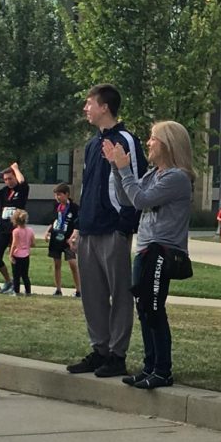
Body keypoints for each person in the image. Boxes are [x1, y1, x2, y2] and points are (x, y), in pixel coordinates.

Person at [104, 120, 194, 389]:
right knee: (143, 308)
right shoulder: (153, 174)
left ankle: (163, 370)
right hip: (144, 248)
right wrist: (116, 168)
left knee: (154, 309)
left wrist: (124, 169)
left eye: (153, 138)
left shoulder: (176, 177)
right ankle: (149, 366)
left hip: (162, 250)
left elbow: (142, 200)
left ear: (167, 143)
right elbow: (127, 199)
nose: (148, 142)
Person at [67, 84, 147, 378]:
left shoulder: (126, 139)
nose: (85, 108)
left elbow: (136, 183)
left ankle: (117, 354)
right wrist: (78, 226)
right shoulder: (91, 145)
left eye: (89, 103)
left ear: (104, 107)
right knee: (92, 294)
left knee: (119, 293)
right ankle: (99, 349)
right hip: (89, 227)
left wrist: (125, 225)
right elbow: (87, 186)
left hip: (114, 228)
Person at [0, 162, 28, 294]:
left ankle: (16, 287)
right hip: (3, 229)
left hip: (16, 230)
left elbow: (22, 182)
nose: (8, 182)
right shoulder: (4, 192)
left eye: (10, 178)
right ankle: (8, 280)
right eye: (5, 179)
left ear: (15, 177)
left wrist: (16, 168)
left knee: (14, 257)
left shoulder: (21, 190)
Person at [44, 183, 81, 297]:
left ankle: (78, 289)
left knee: (72, 264)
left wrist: (74, 236)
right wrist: (47, 231)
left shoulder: (74, 208)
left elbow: (77, 224)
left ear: (66, 194)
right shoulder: (56, 206)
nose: (57, 197)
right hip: (56, 238)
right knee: (56, 264)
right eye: (56, 195)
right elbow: (53, 220)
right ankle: (58, 289)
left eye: (59, 195)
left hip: (68, 239)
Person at [9, 209, 35, 296]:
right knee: (25, 275)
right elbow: (33, 243)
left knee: (16, 275)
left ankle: (16, 291)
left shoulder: (15, 231)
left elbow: (14, 244)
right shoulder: (30, 230)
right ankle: (28, 291)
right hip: (26, 255)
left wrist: (10, 254)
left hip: (17, 255)